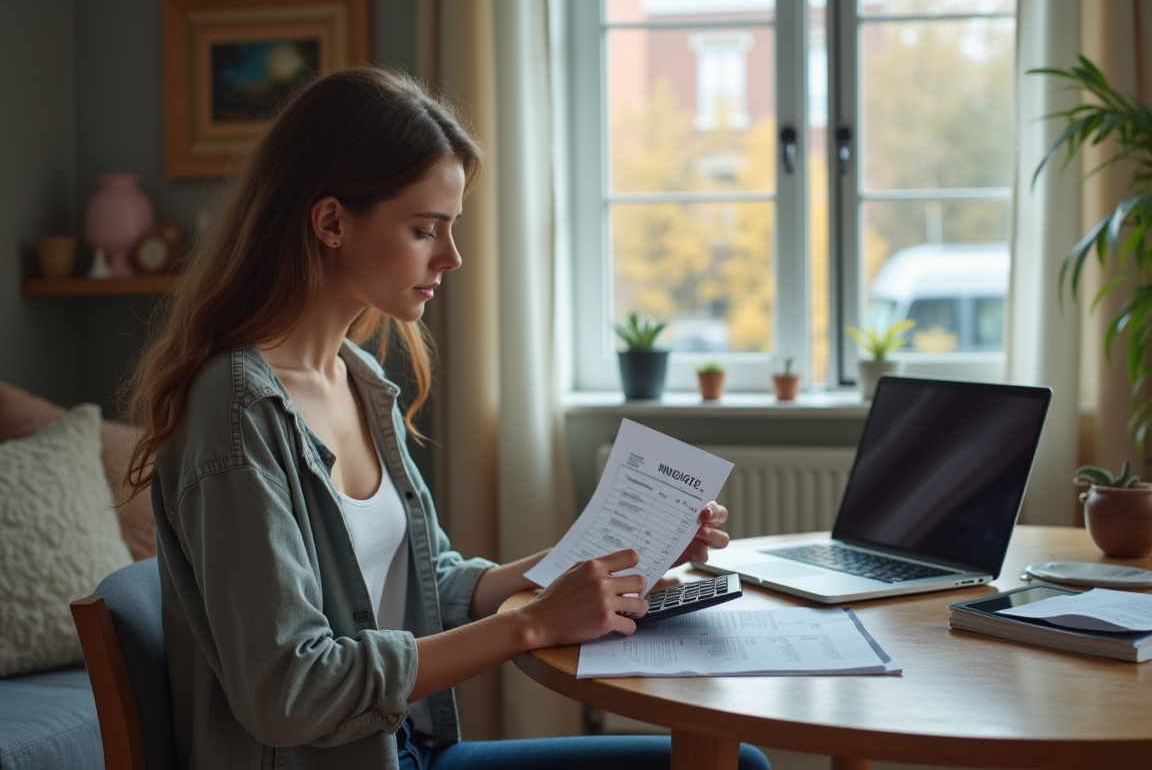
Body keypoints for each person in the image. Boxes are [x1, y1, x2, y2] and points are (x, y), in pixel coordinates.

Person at [121, 67, 770, 770]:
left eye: (450, 229)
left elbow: (441, 582)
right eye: (425, 229)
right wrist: (528, 625)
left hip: (404, 752)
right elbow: (290, 692)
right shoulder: (238, 414)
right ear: (332, 221)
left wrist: (616, 560)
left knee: (739, 763)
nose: (451, 257)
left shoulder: (359, 381)